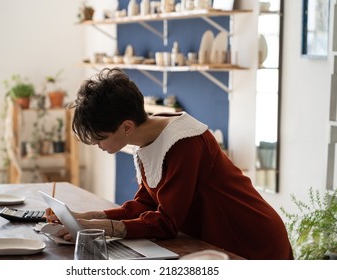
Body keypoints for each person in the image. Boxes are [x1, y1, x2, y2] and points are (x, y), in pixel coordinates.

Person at [47, 67, 293, 260]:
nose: (98, 146)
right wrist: (88, 217)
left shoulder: (185, 143)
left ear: (126, 127)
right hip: (218, 241)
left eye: (100, 138)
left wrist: (103, 227)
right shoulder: (150, 137)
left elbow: (166, 223)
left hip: (250, 242)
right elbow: (145, 203)